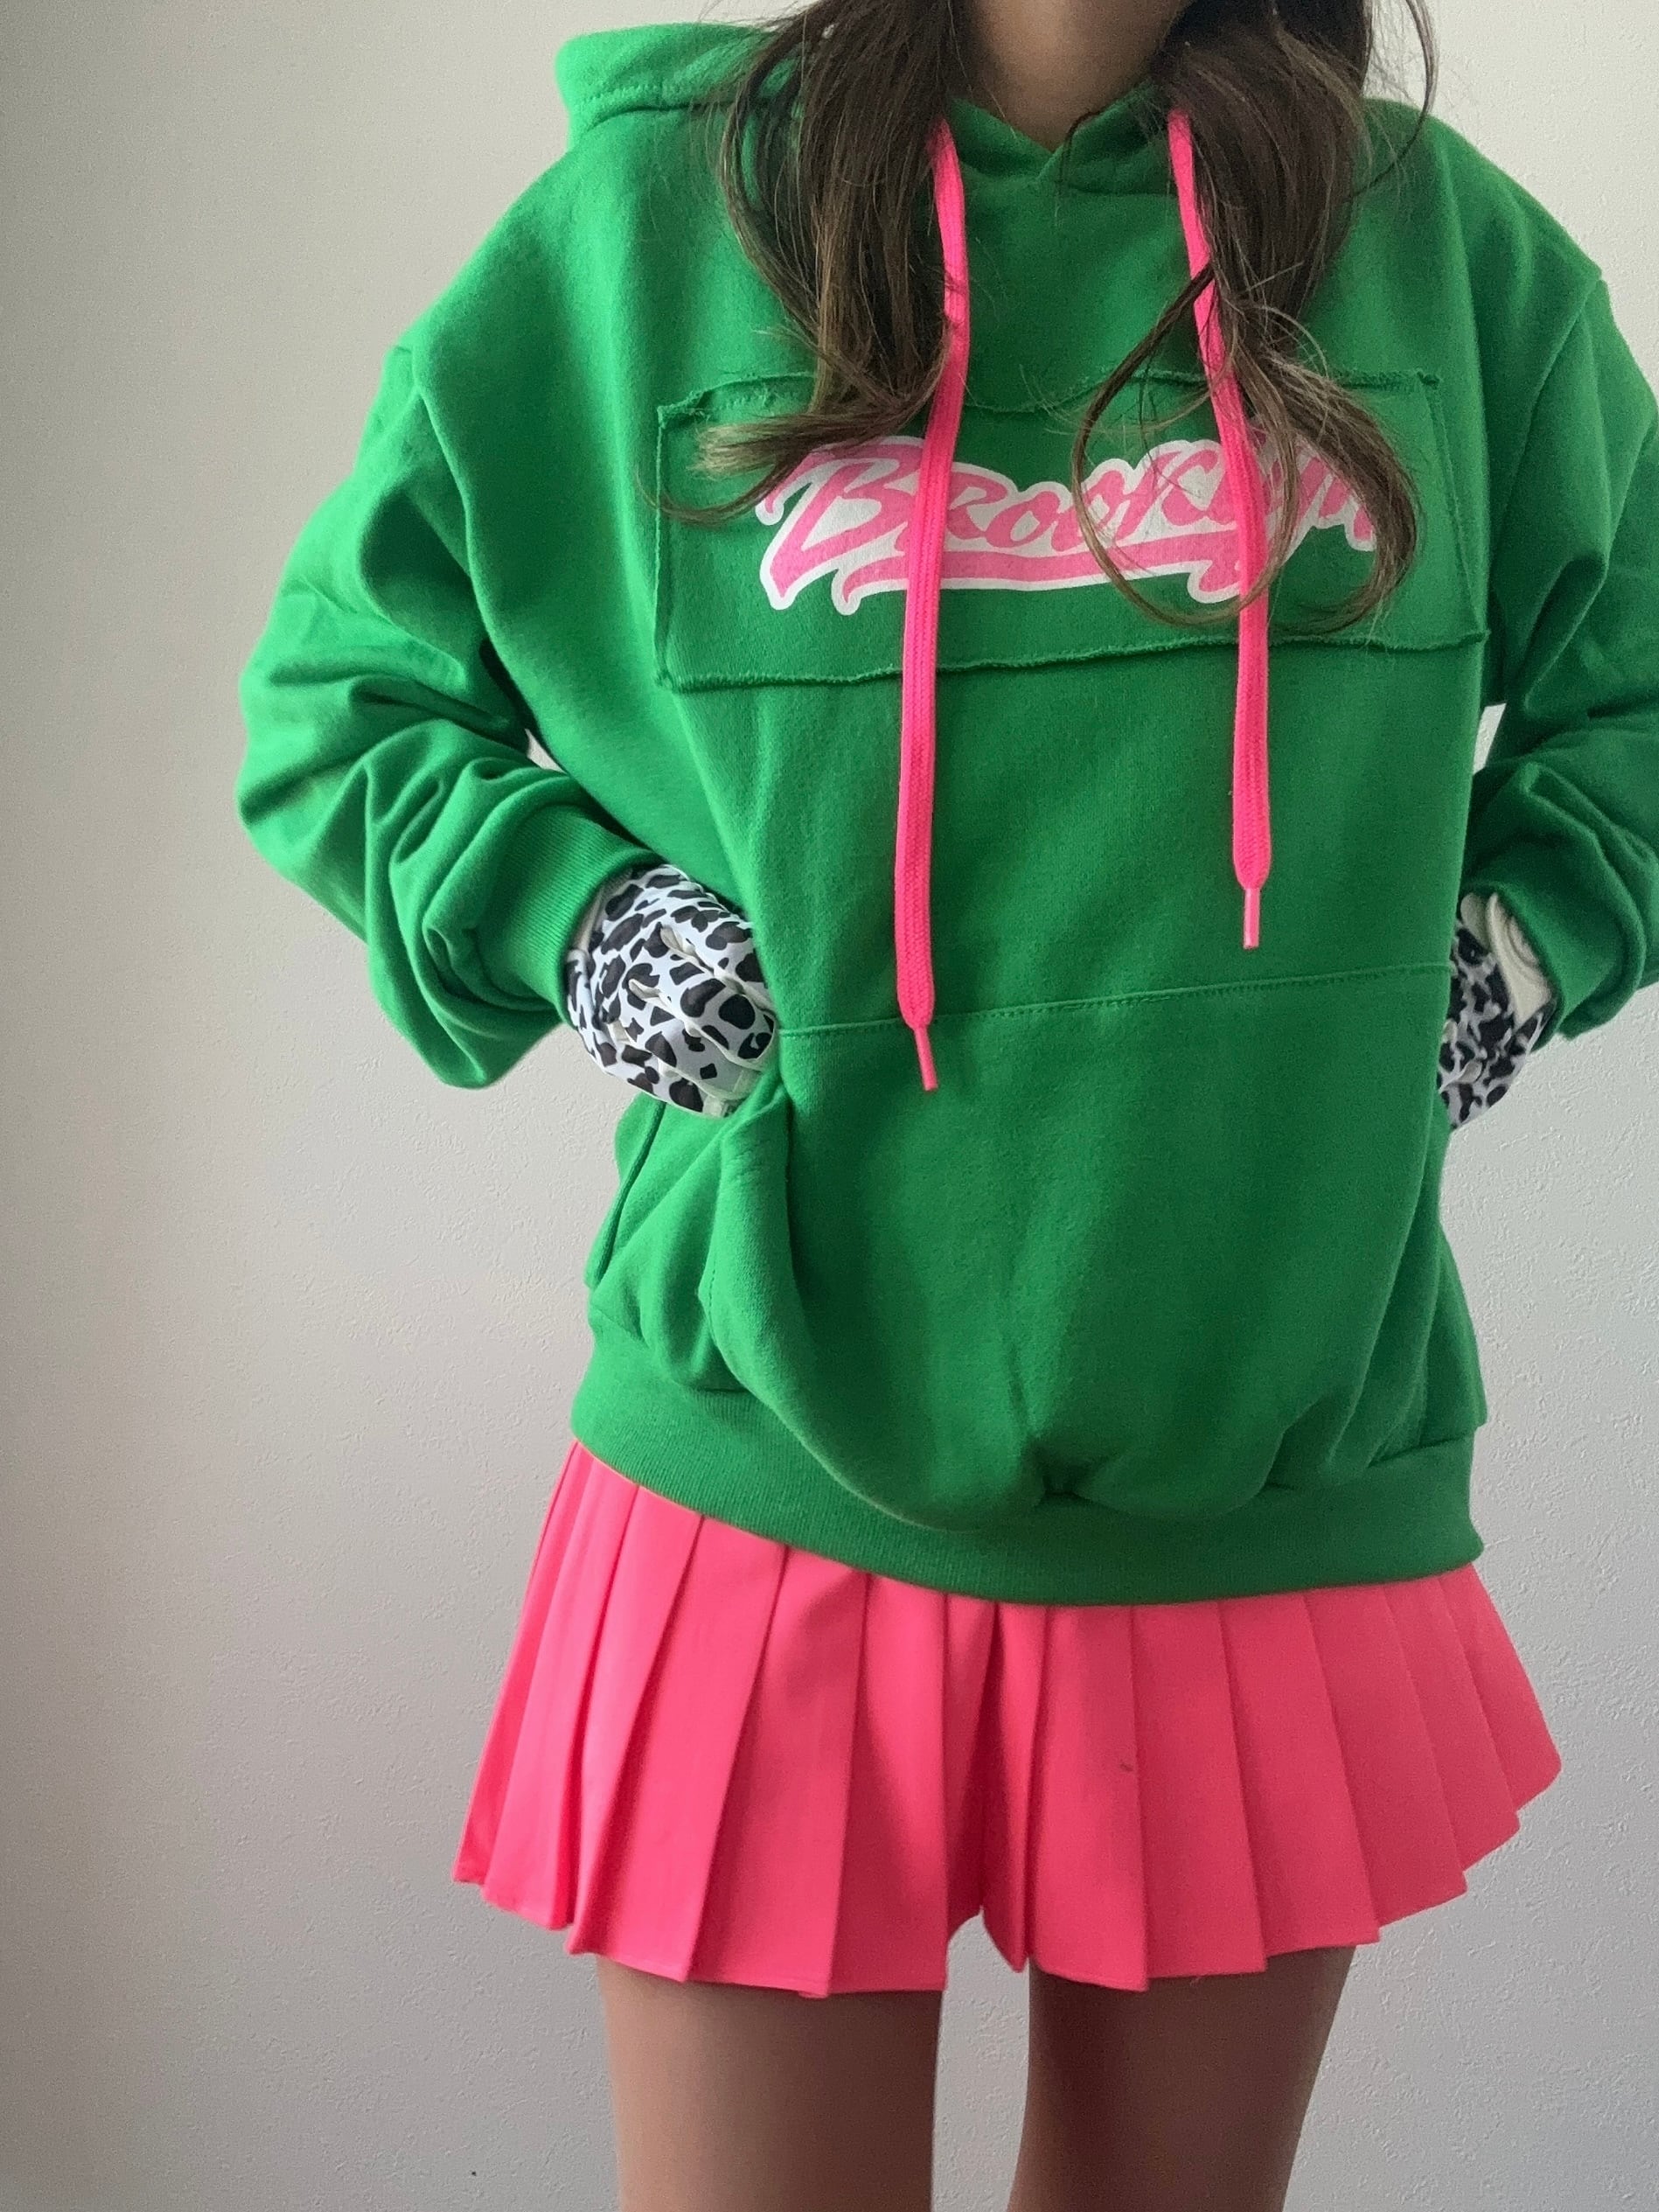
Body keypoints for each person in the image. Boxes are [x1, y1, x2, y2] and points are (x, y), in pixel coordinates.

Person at [234, 2, 1659, 2204]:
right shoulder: (653, 224)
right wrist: (585, 917)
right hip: (760, 1473)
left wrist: (1515, 953)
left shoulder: (1440, 259)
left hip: (1268, 1474)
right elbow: (343, 693)